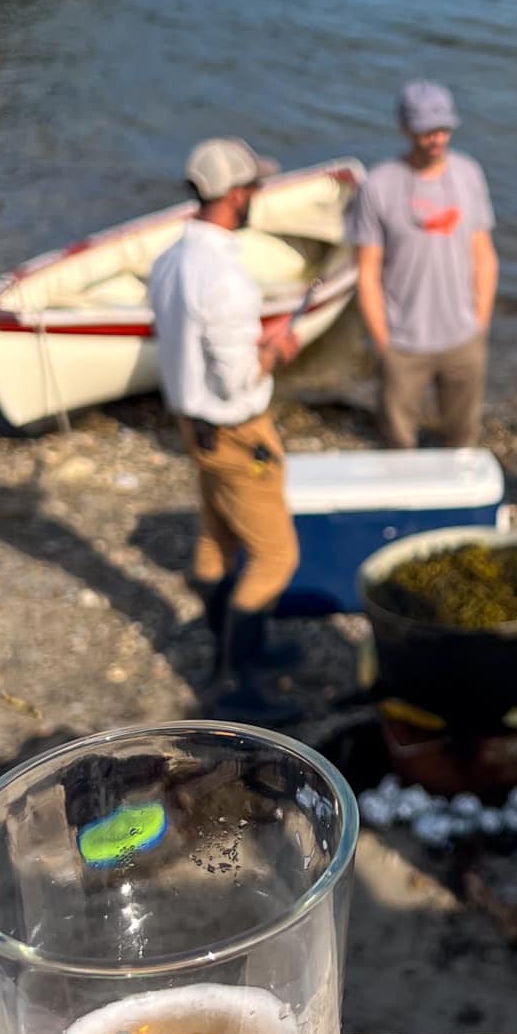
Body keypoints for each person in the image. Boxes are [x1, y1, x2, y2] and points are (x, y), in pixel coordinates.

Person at [148, 137, 303, 725]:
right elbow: (239, 380)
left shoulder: (168, 261)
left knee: (217, 537)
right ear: (237, 194)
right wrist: (278, 348)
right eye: (254, 188)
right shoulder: (226, 280)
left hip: (193, 427)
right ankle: (238, 682)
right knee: (275, 557)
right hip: (237, 432)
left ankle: (232, 651)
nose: (255, 197)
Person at [351, 82, 499, 449]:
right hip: (403, 342)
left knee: (463, 435)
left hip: (463, 339)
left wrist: (480, 321)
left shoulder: (468, 174)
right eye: (426, 131)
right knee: (398, 438)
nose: (436, 139)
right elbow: (367, 271)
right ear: (406, 129)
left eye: (443, 129)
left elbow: (483, 253)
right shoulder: (379, 185)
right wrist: (382, 339)